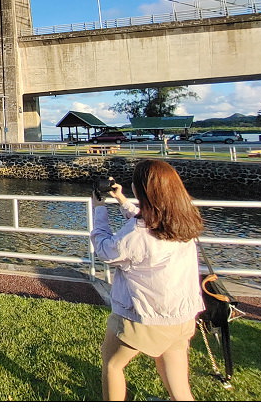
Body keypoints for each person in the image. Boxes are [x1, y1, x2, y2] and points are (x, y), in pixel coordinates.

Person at [90, 160, 204, 401]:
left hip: (144, 316)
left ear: (141, 189)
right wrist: (122, 201)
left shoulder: (137, 234)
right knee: (177, 381)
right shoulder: (183, 220)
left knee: (112, 365)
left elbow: (105, 250)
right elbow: (150, 222)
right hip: (181, 315)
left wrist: (99, 209)